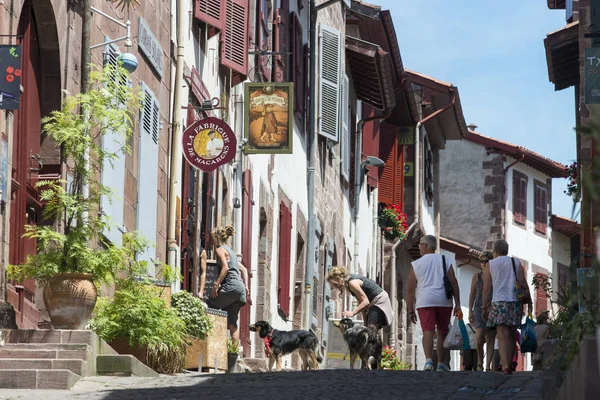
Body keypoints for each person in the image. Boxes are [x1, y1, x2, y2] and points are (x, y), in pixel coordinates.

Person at [407, 235, 461, 372]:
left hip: (425, 301)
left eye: (420, 244)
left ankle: (429, 361)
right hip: (444, 301)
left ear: (425, 246)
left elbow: (410, 289)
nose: (419, 247)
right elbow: (454, 283)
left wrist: (410, 310)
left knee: (428, 331)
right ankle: (442, 363)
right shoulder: (445, 260)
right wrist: (458, 304)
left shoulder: (416, 264)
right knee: (442, 332)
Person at [482, 240, 532, 375]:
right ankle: (509, 364)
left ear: (495, 251)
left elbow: (487, 289)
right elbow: (522, 282)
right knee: (511, 335)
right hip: (514, 301)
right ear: (506, 250)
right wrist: (529, 299)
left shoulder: (490, 265)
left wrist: (484, 305)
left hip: (498, 302)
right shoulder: (515, 262)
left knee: (501, 335)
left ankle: (504, 366)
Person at [205, 226, 250, 348]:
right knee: (232, 322)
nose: (210, 241)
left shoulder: (219, 250)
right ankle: (233, 353)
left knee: (209, 306)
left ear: (216, 238)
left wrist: (216, 285)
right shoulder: (232, 253)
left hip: (230, 286)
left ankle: (212, 346)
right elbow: (245, 270)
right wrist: (246, 287)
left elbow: (225, 268)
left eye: (212, 238)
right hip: (239, 289)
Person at [326, 266, 393, 332]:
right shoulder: (349, 285)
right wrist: (365, 323)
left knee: (371, 331)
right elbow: (363, 305)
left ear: (339, 278)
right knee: (369, 330)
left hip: (379, 301)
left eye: (335, 284)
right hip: (374, 303)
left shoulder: (352, 283)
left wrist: (353, 313)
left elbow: (366, 302)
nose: (335, 287)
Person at [468, 251, 496, 371]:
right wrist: (470, 311)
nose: (483, 263)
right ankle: (480, 361)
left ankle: (488, 365)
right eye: (482, 261)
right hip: (478, 309)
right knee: (479, 337)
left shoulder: (494, 276)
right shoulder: (477, 276)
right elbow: (472, 295)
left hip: (492, 308)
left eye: (486, 261)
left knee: (490, 336)